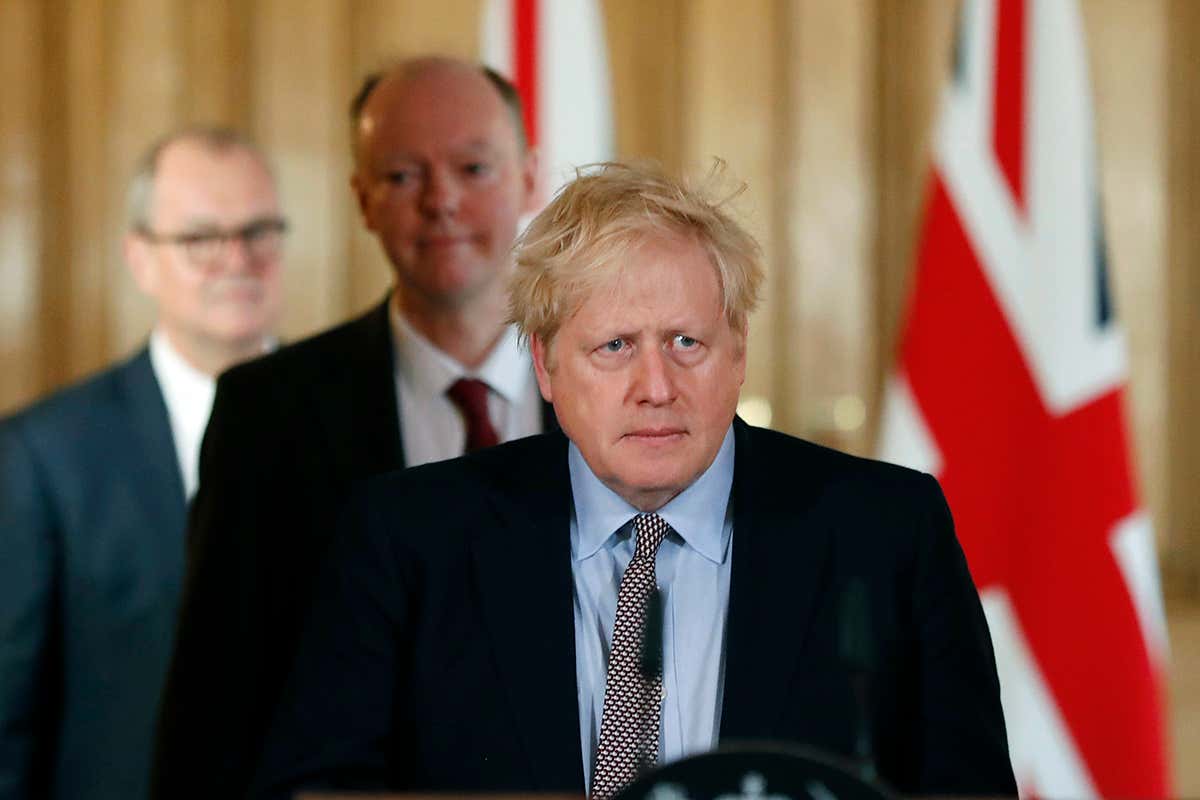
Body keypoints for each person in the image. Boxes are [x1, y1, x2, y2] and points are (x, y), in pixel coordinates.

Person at [252, 161, 1018, 799]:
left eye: (687, 341)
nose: (656, 385)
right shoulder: (409, 537)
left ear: (738, 350)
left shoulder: (884, 529)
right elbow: (317, 790)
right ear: (547, 365)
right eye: (614, 346)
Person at [150, 57, 553, 799]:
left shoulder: (621, 392)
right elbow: (212, 707)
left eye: (473, 167)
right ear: (362, 198)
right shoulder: (266, 414)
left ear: (530, 178)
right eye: (403, 175)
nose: (442, 202)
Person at [0, 127, 284, 800]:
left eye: (259, 231)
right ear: (140, 258)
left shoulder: (352, 422)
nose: (236, 259)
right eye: (199, 239)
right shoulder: (46, 454)